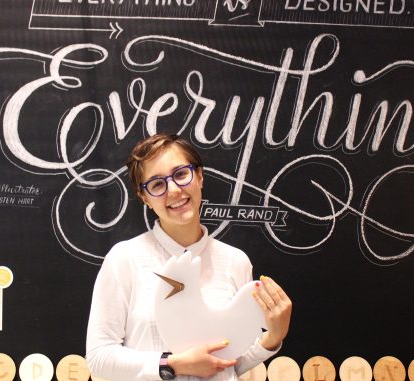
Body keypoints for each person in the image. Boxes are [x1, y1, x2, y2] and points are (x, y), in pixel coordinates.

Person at [86, 133, 292, 381]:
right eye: (157, 184)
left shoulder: (235, 261)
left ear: (200, 176)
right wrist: (172, 364)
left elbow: (229, 365)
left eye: (181, 174)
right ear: (145, 198)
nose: (173, 190)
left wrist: (272, 338)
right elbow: (99, 358)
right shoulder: (125, 259)